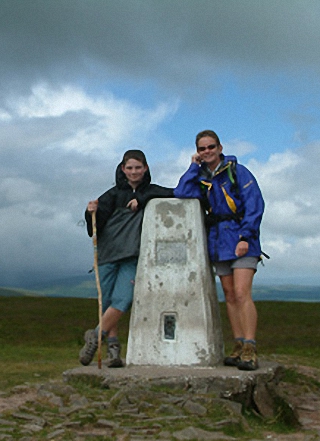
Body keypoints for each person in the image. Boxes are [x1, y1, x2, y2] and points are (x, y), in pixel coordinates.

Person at [174, 130, 265, 371]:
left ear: (220, 147)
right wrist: (193, 167)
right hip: (218, 241)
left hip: (241, 238)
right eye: (202, 149)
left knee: (242, 291)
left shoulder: (238, 172)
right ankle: (238, 344)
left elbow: (255, 204)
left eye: (211, 147)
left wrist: (246, 236)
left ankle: (250, 346)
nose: (207, 152)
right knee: (229, 294)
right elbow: (181, 192)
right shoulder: (202, 176)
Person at [80, 149, 173, 368]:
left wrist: (141, 199)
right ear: (123, 169)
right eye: (129, 168)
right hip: (107, 255)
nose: (134, 172)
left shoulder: (152, 191)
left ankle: (94, 337)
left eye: (138, 167)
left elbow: (176, 192)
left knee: (123, 300)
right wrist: (89, 212)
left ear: (146, 168)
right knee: (107, 304)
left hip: (132, 255)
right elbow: (95, 227)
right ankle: (113, 350)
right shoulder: (111, 195)